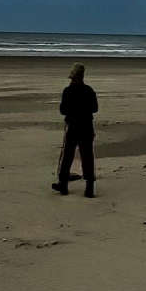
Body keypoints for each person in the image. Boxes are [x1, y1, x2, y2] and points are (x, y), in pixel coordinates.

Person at [51, 61, 97, 197]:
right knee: (87, 156)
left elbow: (63, 110)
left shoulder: (68, 91)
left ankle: (63, 185)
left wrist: (72, 111)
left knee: (67, 156)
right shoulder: (89, 90)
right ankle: (89, 187)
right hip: (87, 127)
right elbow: (95, 108)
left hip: (73, 127)